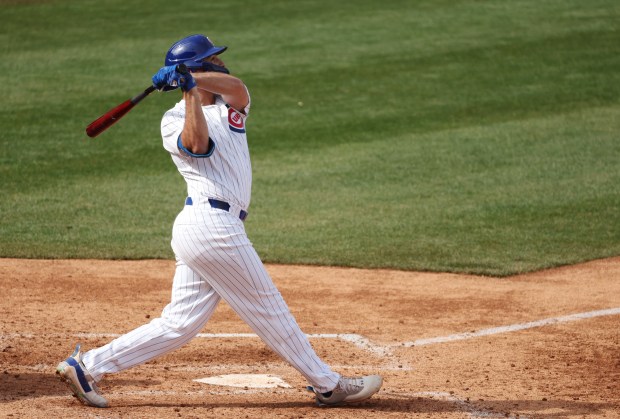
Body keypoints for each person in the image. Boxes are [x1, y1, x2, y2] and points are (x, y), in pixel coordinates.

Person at [56, 34, 382, 408]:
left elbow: (238, 88)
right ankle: (328, 385)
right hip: (210, 226)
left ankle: (87, 366)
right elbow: (197, 145)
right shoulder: (173, 119)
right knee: (268, 307)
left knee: (180, 324)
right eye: (214, 60)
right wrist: (190, 91)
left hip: (213, 227)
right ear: (198, 67)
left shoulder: (231, 105)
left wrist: (193, 79)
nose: (223, 65)